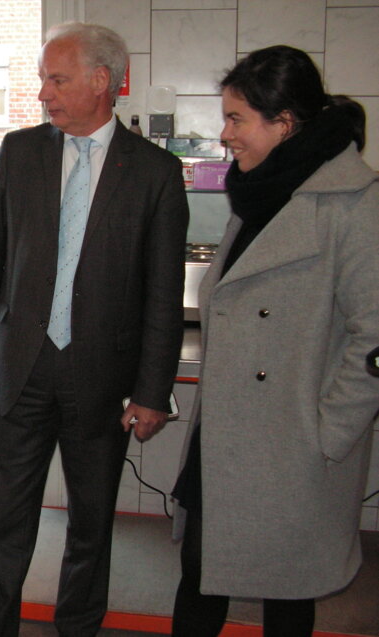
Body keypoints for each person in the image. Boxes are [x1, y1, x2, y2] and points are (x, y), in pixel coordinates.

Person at [0, 22, 189, 636]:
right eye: (43, 79)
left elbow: (163, 297)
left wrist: (152, 392)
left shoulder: (156, 173)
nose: (44, 93)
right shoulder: (20, 153)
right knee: (7, 523)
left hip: (102, 377)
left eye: (57, 80)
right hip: (22, 368)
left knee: (90, 527)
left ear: (101, 81)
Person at [170, 45, 379, 637]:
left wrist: (326, 434)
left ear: (284, 123)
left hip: (293, 446)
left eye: (236, 119)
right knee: (199, 574)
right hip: (227, 438)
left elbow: (374, 338)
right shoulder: (259, 191)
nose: (225, 134)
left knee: (287, 594)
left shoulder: (352, 202)